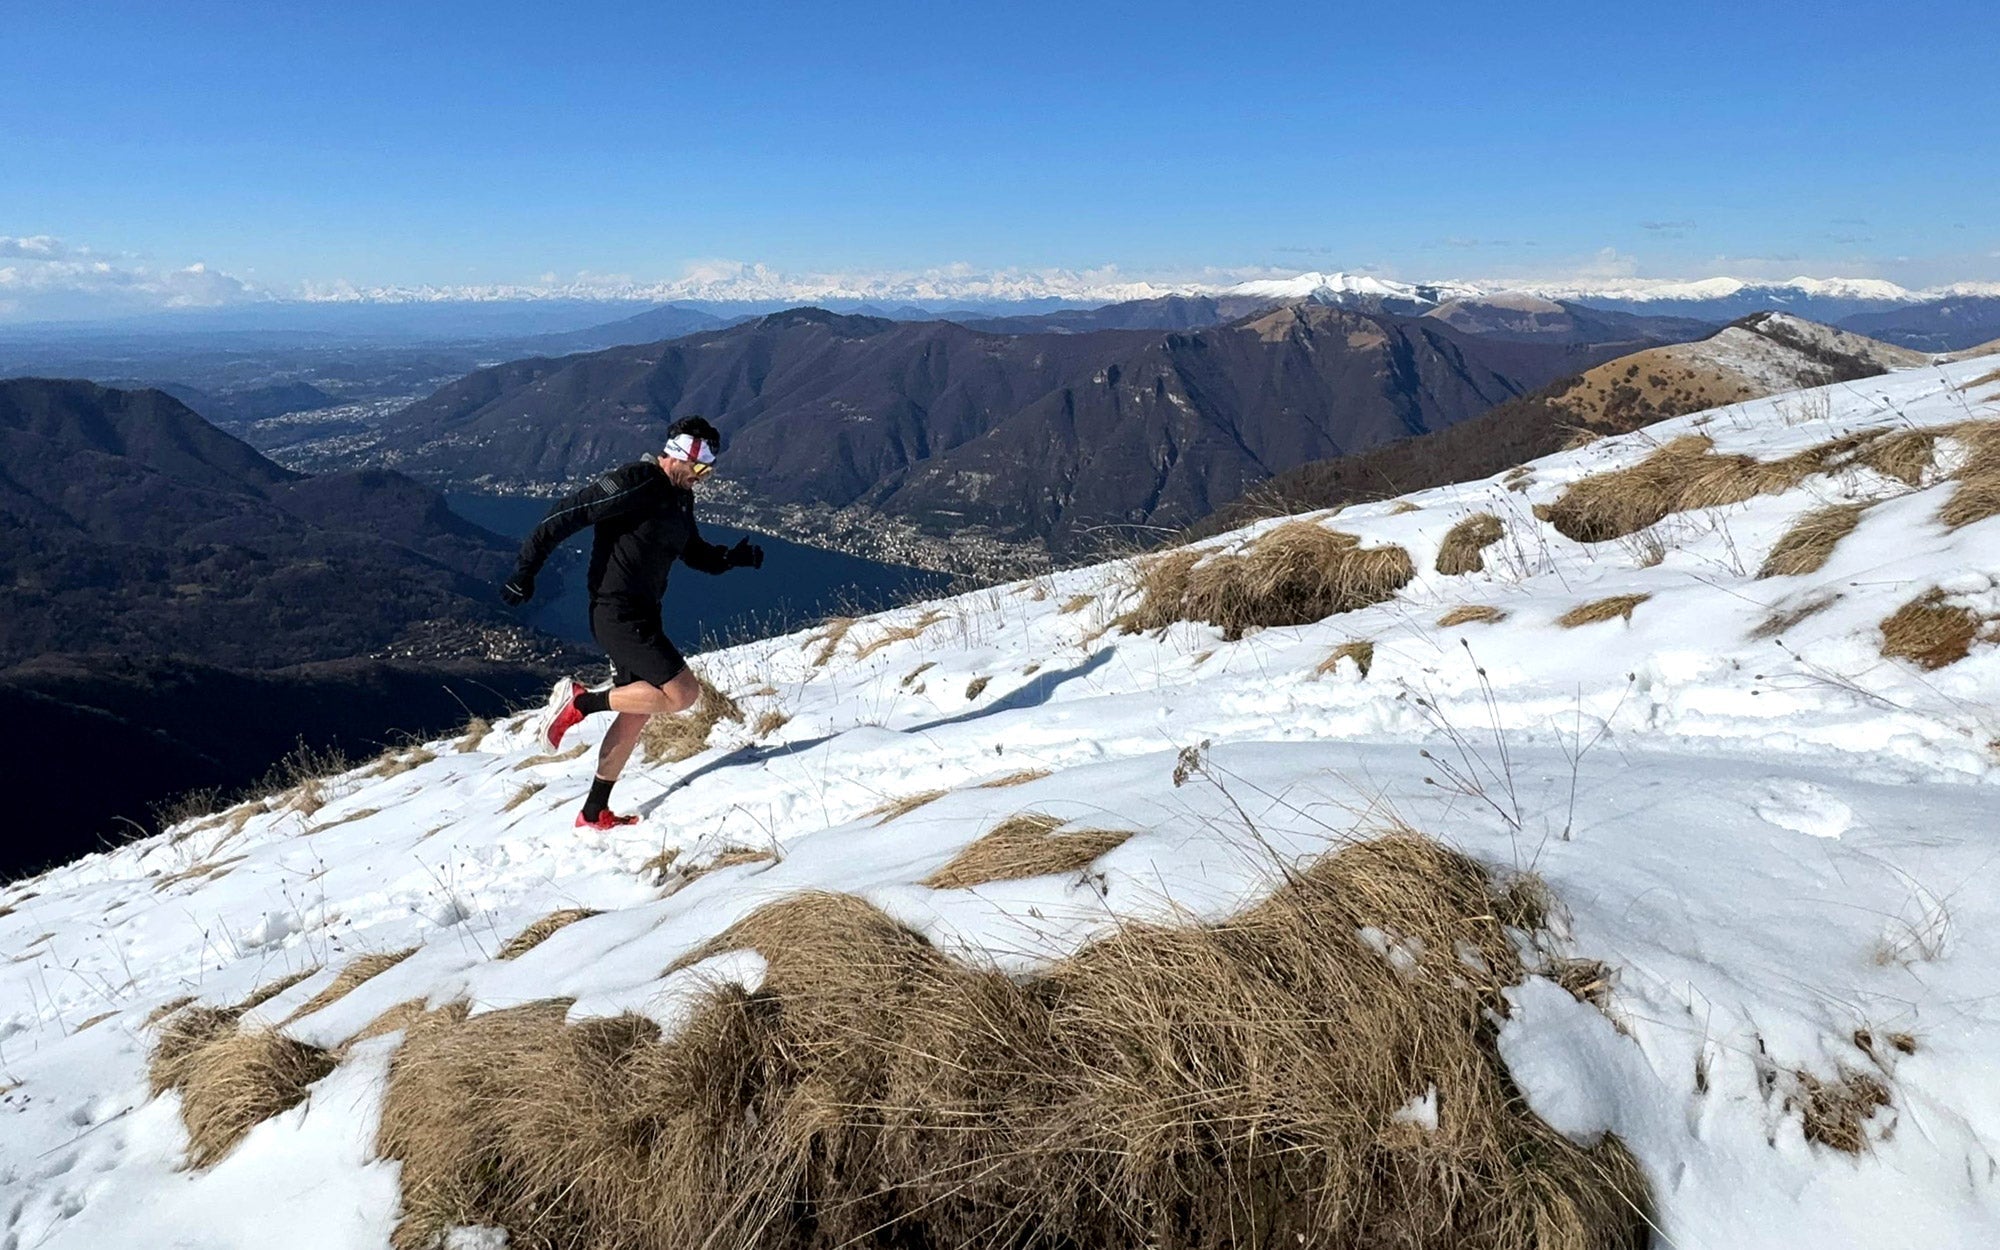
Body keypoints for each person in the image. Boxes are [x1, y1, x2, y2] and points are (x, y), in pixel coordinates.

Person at [500, 416, 763, 829]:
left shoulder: (679, 498)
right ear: (677, 455)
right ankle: (580, 702)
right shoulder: (639, 480)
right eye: (699, 468)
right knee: (682, 694)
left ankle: (593, 811)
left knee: (638, 709)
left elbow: (691, 551)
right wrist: (525, 570)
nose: (704, 478)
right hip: (616, 611)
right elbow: (567, 514)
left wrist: (731, 559)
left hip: (643, 612)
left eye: (708, 470)